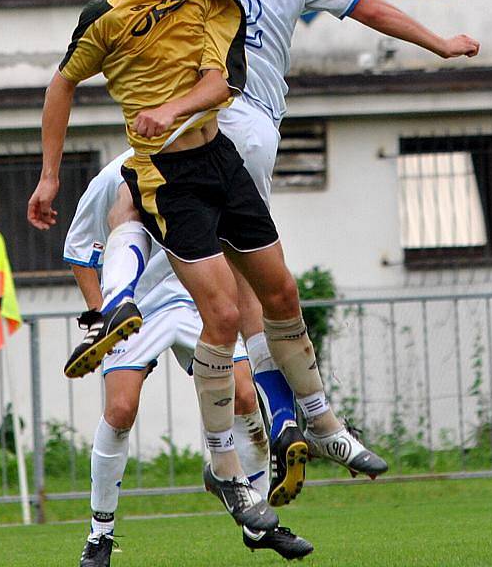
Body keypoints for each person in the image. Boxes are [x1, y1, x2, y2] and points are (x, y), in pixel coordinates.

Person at [57, 0, 480, 504]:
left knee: (135, 207)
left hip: (202, 131)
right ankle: (297, 418)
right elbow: (370, 9)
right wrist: (440, 44)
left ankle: (124, 311)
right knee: (262, 292)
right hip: (251, 141)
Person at [66, 152, 313, 566]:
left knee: (245, 397)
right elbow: (79, 250)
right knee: (121, 409)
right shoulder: (114, 176)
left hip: (193, 299)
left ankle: (257, 523)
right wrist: (102, 312)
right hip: (136, 307)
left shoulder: (203, 159)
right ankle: (100, 536)